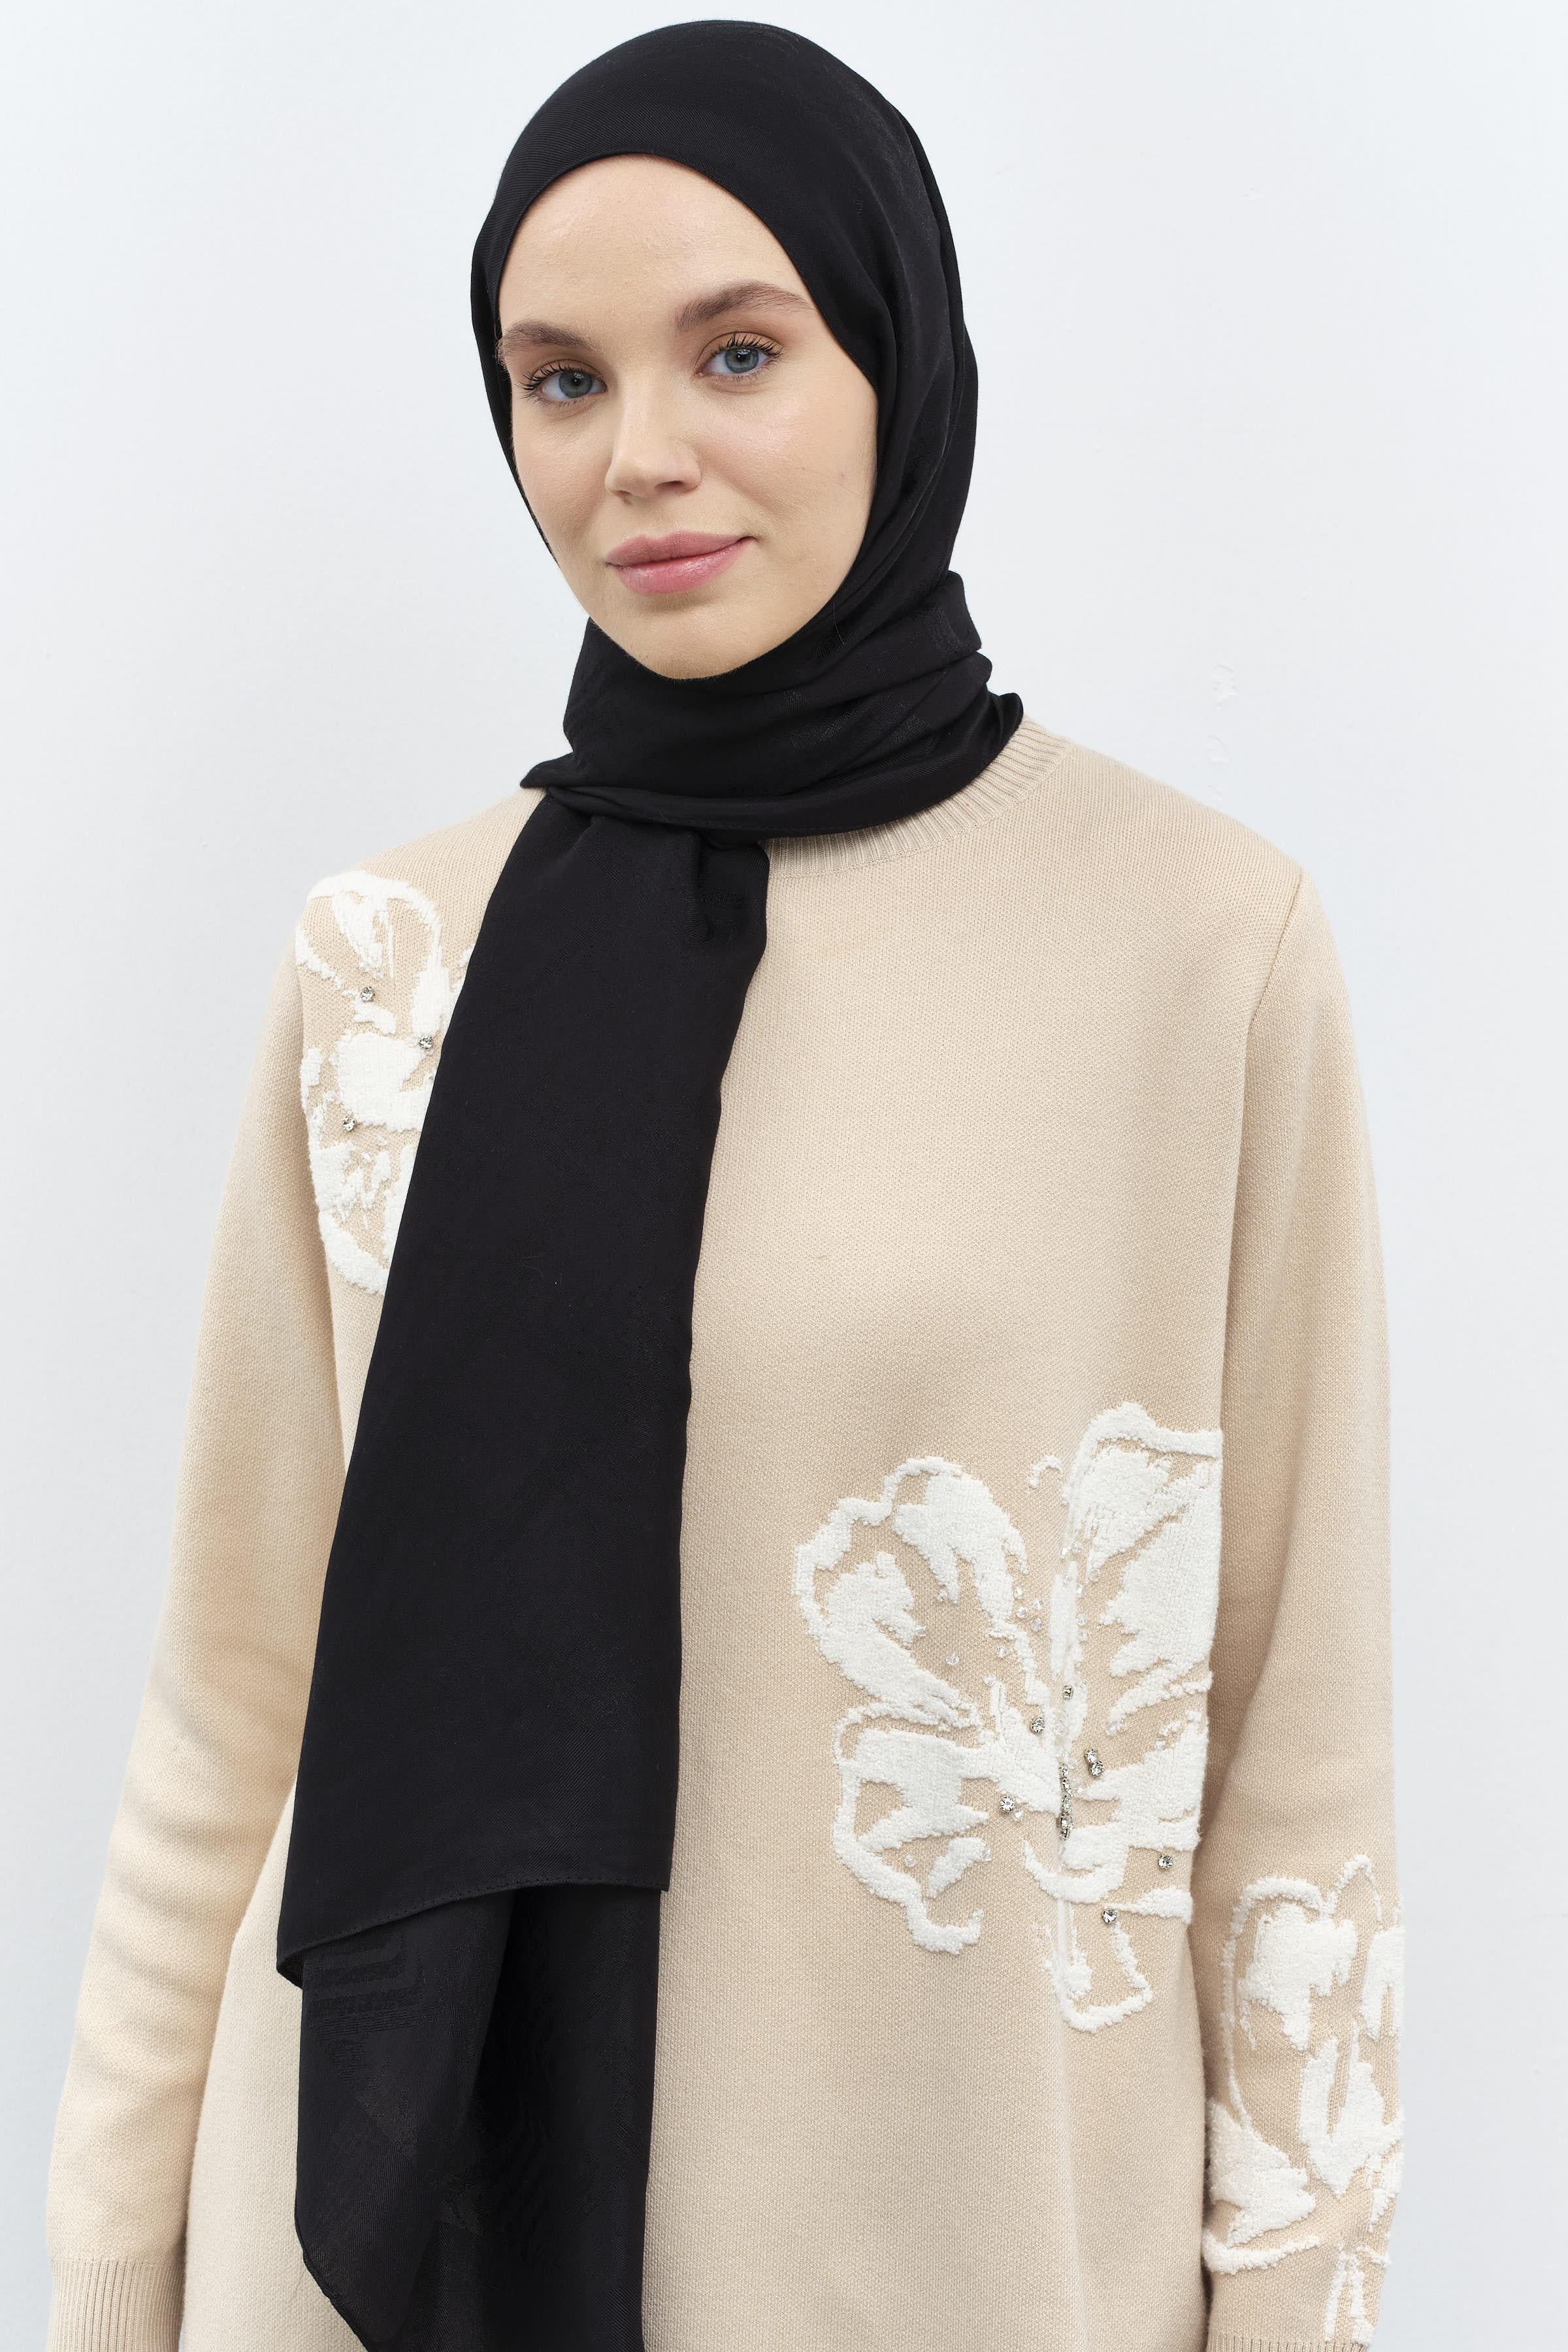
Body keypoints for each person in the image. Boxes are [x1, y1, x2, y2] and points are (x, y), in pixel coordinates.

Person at [43, 21, 1402, 2352]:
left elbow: (1302, 1750)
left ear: (896, 356)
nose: (639, 456)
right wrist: (105, 2280)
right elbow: (232, 1696)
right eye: (560, 382)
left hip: (961, 2268)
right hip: (379, 2272)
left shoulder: (1198, 945)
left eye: (739, 353)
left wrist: (1296, 2309)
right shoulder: (389, 964)